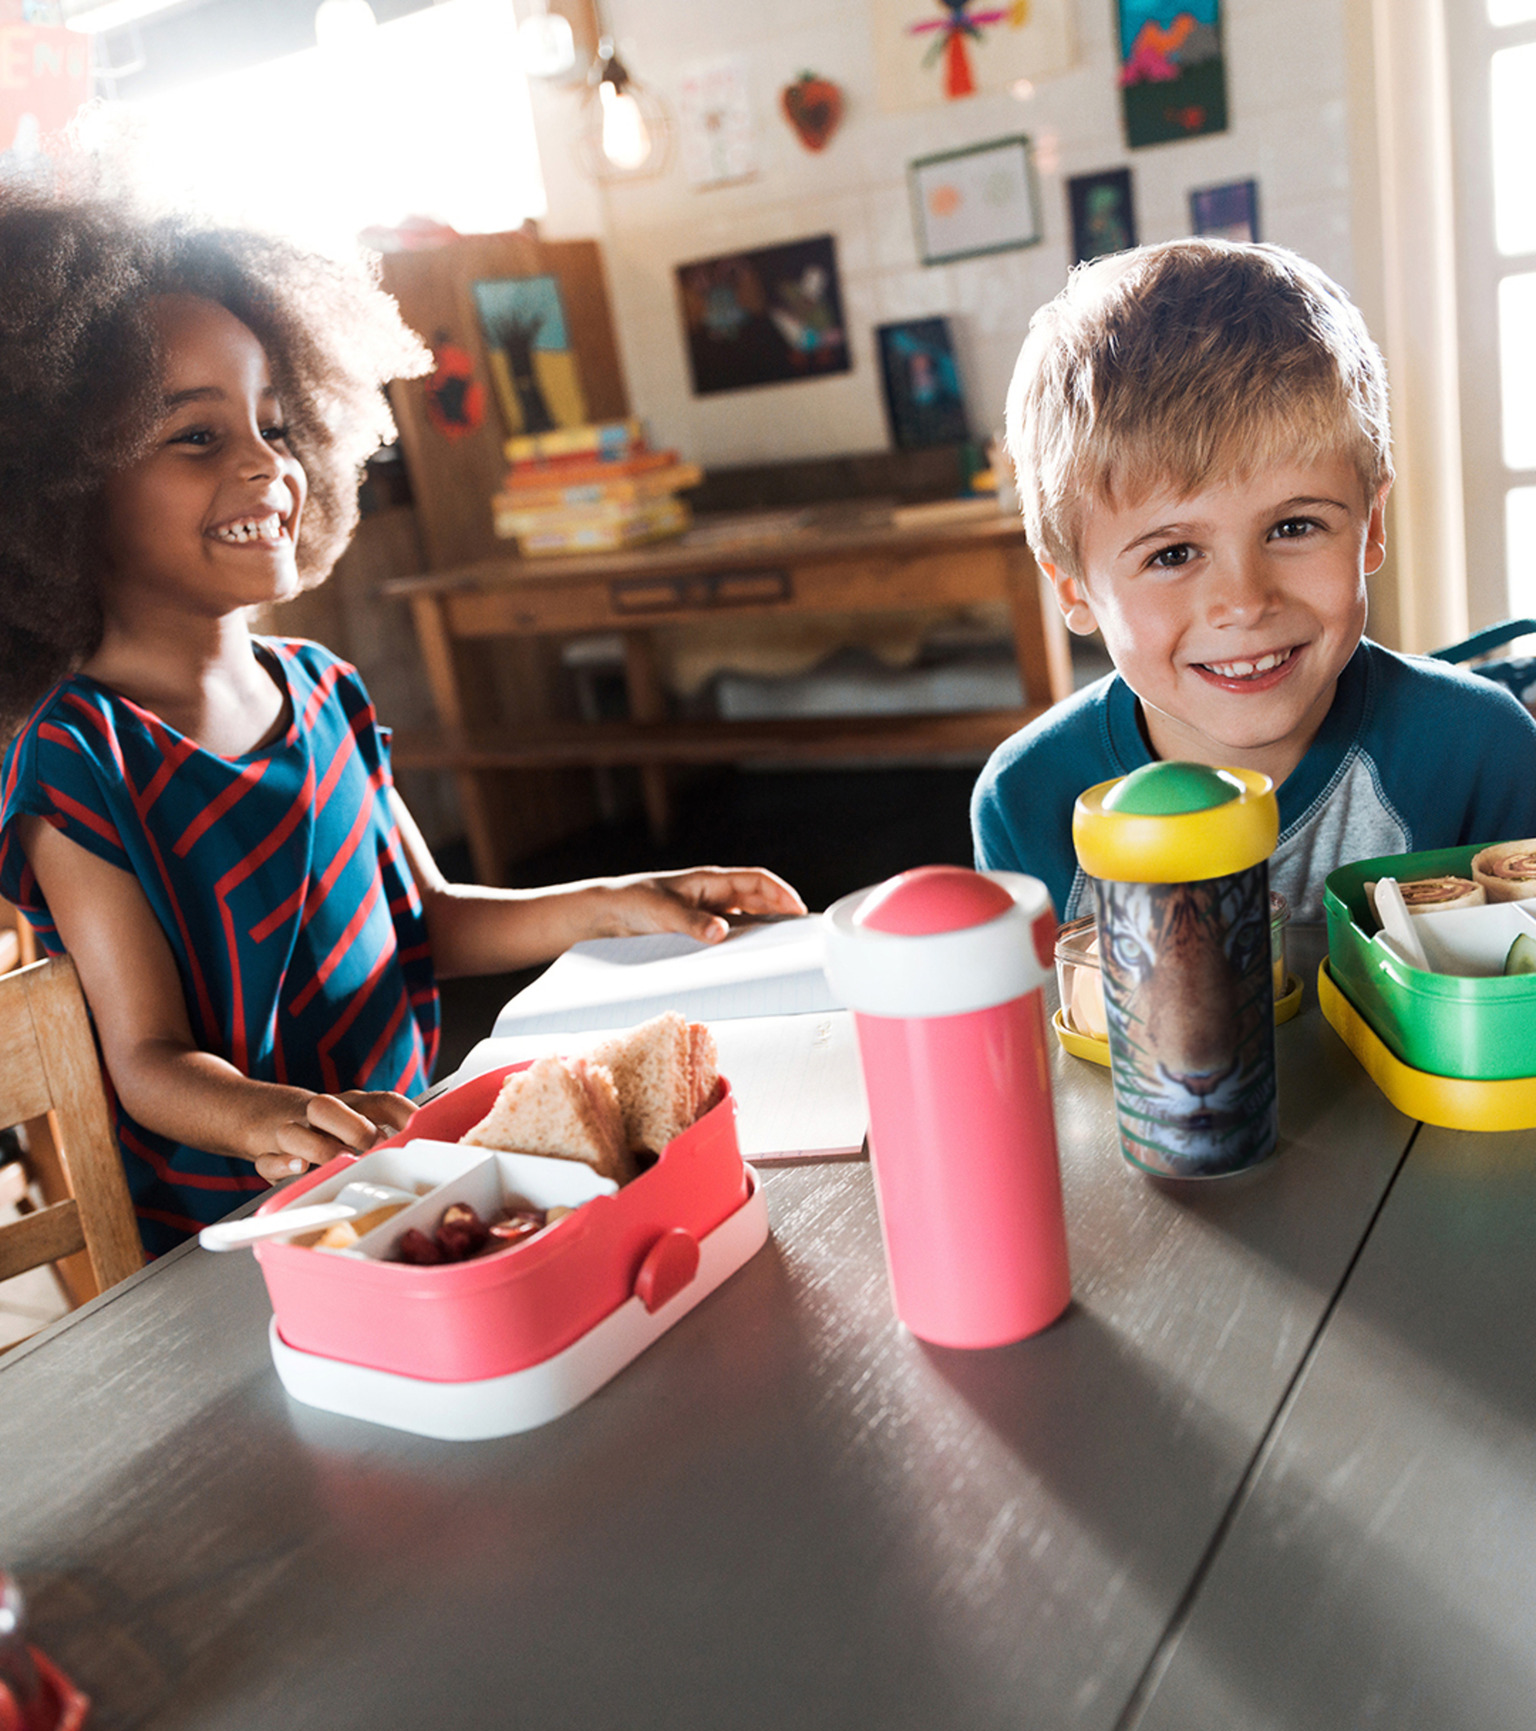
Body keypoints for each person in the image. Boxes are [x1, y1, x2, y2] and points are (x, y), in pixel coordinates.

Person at [0, 187, 803, 1255]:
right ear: (59, 493)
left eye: (274, 424)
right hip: (243, 1232)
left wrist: (618, 904)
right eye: (196, 435)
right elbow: (146, 1057)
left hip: (411, 1175)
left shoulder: (324, 689)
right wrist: (270, 1118)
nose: (266, 464)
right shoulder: (80, 756)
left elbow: (425, 920)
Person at [972, 239, 1536, 921]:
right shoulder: (1025, 802)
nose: (1244, 603)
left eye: (1293, 527)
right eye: (1173, 554)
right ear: (1072, 586)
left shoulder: (1484, 752)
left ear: (1370, 526)